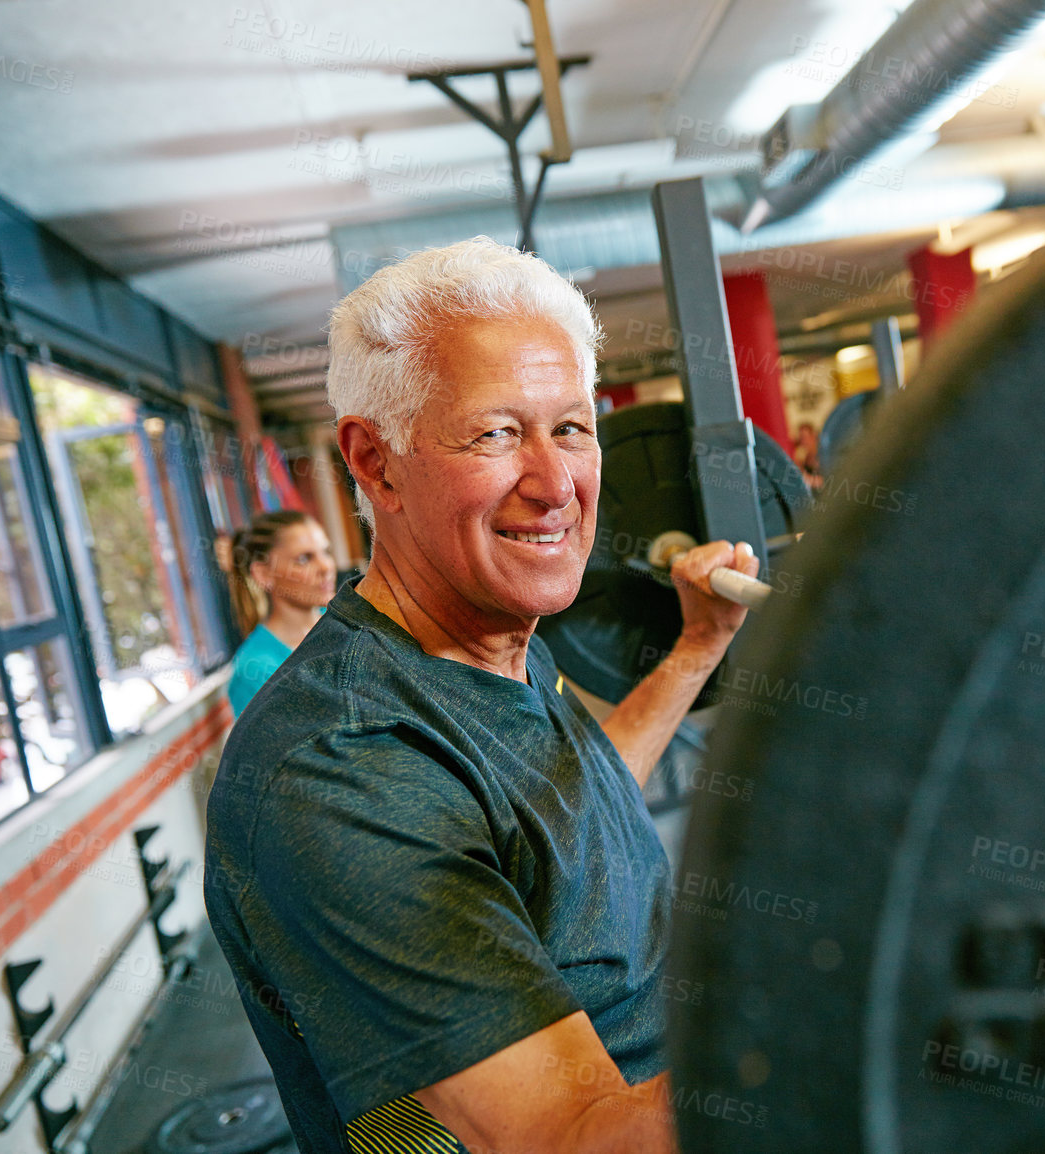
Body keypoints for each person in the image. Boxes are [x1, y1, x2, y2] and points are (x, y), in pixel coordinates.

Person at [204, 236, 757, 1154]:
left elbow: (562, 807)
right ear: (375, 463)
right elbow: (571, 1139)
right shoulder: (337, 768)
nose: (555, 486)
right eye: (497, 433)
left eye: (572, 428)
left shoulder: (493, 640)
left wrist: (697, 647)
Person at [223, 510, 338, 716]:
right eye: (304, 559)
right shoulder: (253, 670)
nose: (326, 566)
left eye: (326, 552)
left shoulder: (347, 625)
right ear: (264, 573)